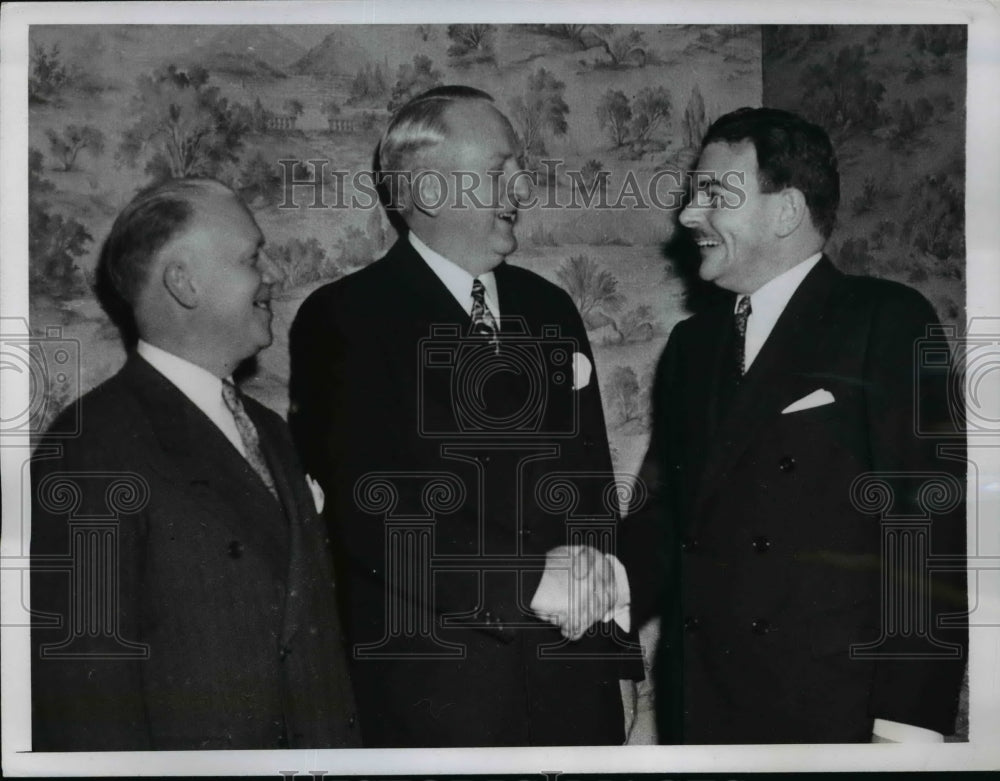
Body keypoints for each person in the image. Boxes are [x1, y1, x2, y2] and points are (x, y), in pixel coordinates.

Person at [542, 107, 967, 744]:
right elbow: (666, 517)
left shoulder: (885, 318)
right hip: (702, 709)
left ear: (787, 210)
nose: (688, 216)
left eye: (714, 195)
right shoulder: (691, 345)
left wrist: (906, 726)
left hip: (834, 718)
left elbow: (927, 528)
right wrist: (601, 580)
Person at [288, 86, 642, 748]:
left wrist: (617, 658)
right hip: (443, 700)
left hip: (575, 687)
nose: (523, 187)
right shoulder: (347, 317)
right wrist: (533, 581)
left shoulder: (552, 309)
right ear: (426, 191)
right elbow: (372, 513)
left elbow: (592, 491)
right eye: (499, 170)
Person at [31, 178, 360, 751]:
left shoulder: (272, 431)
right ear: (183, 282)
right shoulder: (93, 448)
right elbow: (85, 703)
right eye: (252, 257)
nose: (274, 275)